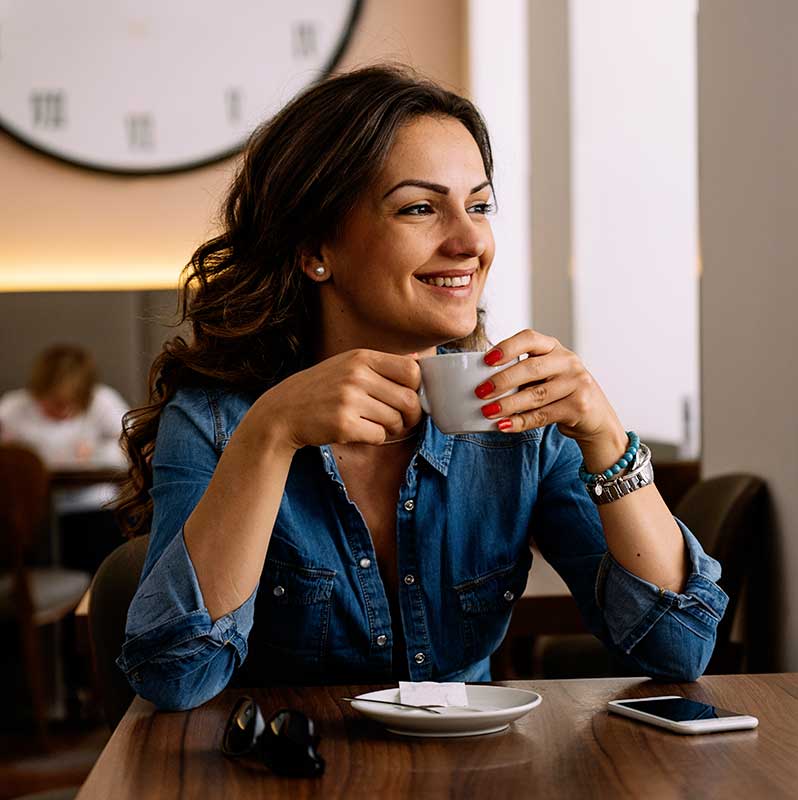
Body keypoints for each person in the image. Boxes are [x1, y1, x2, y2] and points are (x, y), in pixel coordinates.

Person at [114, 65, 727, 711]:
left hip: (476, 773)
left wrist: (606, 440)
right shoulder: (218, 420)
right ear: (315, 247)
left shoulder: (517, 415)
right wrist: (271, 435)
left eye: (480, 206)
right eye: (420, 208)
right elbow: (174, 676)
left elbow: (678, 649)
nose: (469, 242)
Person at [0, 344, 130, 571]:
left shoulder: (103, 401)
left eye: (71, 405)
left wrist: (99, 452)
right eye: (55, 404)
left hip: (93, 508)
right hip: (35, 516)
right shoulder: (12, 409)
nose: (63, 411)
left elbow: (135, 445)